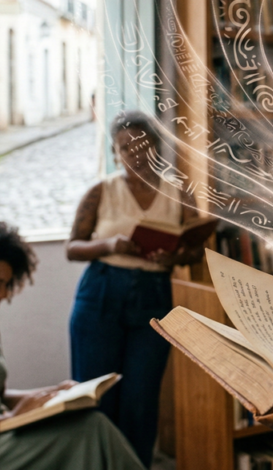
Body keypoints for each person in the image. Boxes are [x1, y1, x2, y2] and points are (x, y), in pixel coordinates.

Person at [0, 217, 143, 470]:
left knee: (91, 423)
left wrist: (55, 393)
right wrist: (8, 420)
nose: (3, 295)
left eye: (7, 285)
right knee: (86, 433)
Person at [66, 110, 205, 467]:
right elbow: (73, 248)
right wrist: (110, 244)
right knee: (96, 395)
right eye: (125, 146)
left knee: (140, 399)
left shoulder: (178, 194)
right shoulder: (101, 191)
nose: (134, 153)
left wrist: (173, 256)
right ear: (115, 153)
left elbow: (194, 247)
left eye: (142, 144)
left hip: (153, 294)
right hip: (101, 293)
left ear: (156, 147)